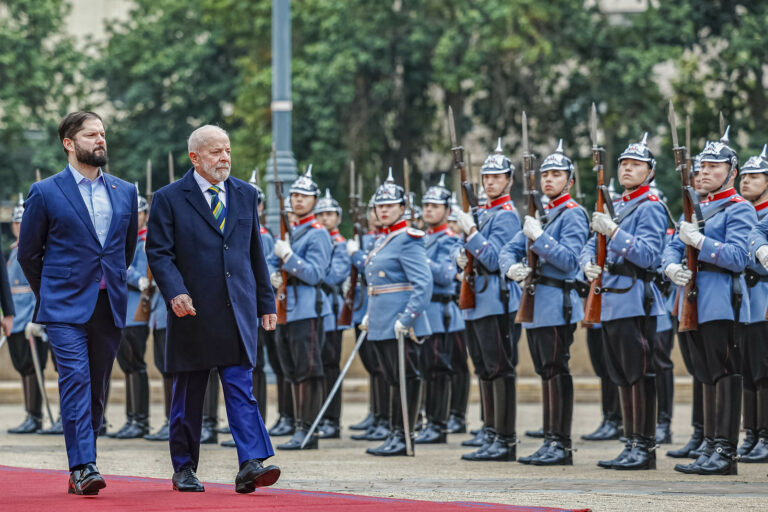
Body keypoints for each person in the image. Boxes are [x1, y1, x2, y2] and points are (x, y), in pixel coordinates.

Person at [146, 125, 279, 493]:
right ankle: (184, 467)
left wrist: (266, 302)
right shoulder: (170, 197)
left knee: (240, 386)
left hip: (237, 309)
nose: (224, 158)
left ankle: (251, 463)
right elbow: (158, 252)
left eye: (227, 151)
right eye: (215, 152)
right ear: (194, 157)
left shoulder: (245, 193)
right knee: (188, 394)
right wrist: (175, 293)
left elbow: (255, 254)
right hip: (192, 310)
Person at [18, 111, 138, 495]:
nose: (100, 140)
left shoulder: (125, 191)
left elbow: (126, 249)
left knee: (98, 387)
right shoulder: (46, 191)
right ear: (69, 144)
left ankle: (85, 459)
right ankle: (84, 465)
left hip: (109, 304)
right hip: (63, 308)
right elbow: (28, 254)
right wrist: (51, 292)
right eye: (91, 135)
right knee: (74, 381)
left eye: (102, 133)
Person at [662, 128, 754, 476]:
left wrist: (700, 242)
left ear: (732, 173)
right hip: (692, 301)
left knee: (726, 374)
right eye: (701, 167)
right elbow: (672, 247)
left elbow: (737, 257)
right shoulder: (695, 207)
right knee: (706, 376)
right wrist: (670, 265)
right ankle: (710, 447)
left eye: (713, 167)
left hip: (721, 302)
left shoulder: (739, 208)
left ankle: (725, 452)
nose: (703, 172)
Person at [580, 133, 667, 471]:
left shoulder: (651, 207)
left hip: (635, 299)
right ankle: (630, 443)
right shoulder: (617, 205)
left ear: (650, 172)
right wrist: (588, 262)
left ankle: (644, 448)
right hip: (612, 300)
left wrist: (614, 232)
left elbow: (648, 255)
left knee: (639, 374)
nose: (628, 169)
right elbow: (592, 242)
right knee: (620, 375)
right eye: (624, 164)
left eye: (636, 165)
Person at [500, 140, 589, 465]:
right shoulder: (542, 214)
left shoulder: (573, 214)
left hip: (557, 302)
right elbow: (508, 248)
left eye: (556, 174)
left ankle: (560, 444)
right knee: (543, 371)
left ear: (570, 180)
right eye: (545, 174)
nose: (548, 179)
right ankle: (550, 439)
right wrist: (511, 267)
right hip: (536, 302)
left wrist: (540, 238)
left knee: (555, 370)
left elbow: (569, 262)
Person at [453, 139, 522, 462]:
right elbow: (469, 254)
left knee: (499, 368)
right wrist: (461, 253)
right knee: (483, 368)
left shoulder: (506, 216)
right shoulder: (484, 213)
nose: (490, 182)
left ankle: (504, 439)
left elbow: (495, 260)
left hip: (497, 299)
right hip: (477, 299)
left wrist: (472, 234)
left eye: (497, 177)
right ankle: (491, 432)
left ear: (509, 179)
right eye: (486, 177)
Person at [357, 169, 433, 456]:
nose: (384, 210)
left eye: (390, 205)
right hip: (381, 320)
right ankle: (394, 432)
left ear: (403, 208)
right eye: (380, 206)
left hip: (401, 322)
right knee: (391, 378)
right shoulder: (383, 239)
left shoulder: (409, 238)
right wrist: (370, 313)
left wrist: (408, 318)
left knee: (406, 377)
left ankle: (404, 435)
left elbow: (423, 284)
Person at [268, 166, 333, 450]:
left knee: (307, 369)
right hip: (285, 307)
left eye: (304, 196)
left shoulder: (317, 234)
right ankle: (298, 424)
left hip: (306, 307)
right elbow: (273, 260)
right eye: (294, 196)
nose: (297, 200)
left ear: (314, 201)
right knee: (291, 369)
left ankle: (309, 429)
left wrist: (290, 257)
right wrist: (272, 272)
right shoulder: (292, 231)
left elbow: (316, 274)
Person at [414, 175, 464, 444]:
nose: (429, 210)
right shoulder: (420, 238)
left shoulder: (449, 239)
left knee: (438, 370)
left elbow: (446, 275)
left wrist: (419, 260)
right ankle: (427, 421)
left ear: (446, 210)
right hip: (423, 312)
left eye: (435, 206)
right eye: (427, 205)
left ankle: (439, 424)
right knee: (425, 370)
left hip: (441, 312)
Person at [666, 155, 707, 459]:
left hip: (713, 299)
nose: (699, 178)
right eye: (697, 174)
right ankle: (699, 432)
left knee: (714, 371)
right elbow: (672, 246)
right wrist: (669, 263)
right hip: (685, 298)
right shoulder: (689, 212)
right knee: (696, 370)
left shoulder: (728, 209)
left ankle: (715, 436)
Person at [735, 145, 768, 463]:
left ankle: (766, 437)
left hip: (763, 299)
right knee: (746, 371)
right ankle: (752, 434)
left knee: (763, 372)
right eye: (743, 176)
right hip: (744, 302)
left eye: (755, 176)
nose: (746, 181)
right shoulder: (741, 211)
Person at [111, 185, 152, 439]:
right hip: (123, 309)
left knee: (136, 363)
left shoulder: (146, 241)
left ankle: (141, 419)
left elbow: (144, 270)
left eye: (138, 213)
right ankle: (132, 418)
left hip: (138, 309)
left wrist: (135, 278)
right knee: (127, 365)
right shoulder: (127, 241)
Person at [348, 198, 391, 442]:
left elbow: (368, 267)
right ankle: (376, 413)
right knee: (373, 367)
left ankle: (385, 417)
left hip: (379, 310)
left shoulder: (387, 240)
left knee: (383, 368)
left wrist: (356, 255)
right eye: (373, 210)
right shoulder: (370, 239)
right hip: (362, 309)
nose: (376, 214)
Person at [7, 193, 46, 435]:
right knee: (23, 367)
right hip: (16, 320)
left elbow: (37, 288)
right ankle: (29, 413)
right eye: (15, 222)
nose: (18, 226)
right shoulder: (13, 252)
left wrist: (37, 318)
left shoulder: (36, 249)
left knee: (33, 368)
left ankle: (35, 416)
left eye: (22, 222)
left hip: (31, 320)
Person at [315, 188, 350, 439]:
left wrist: (314, 271)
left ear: (338, 218)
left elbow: (335, 275)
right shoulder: (317, 239)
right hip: (314, 309)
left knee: (330, 366)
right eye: (321, 214)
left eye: (330, 214)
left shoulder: (340, 244)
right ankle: (317, 416)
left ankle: (332, 420)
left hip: (332, 310)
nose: (325, 218)